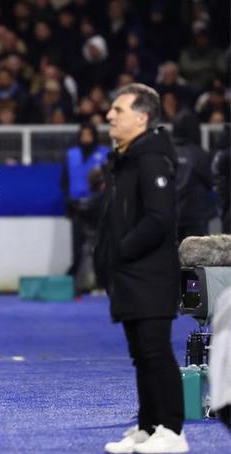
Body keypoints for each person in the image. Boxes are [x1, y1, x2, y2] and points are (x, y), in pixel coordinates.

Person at [95, 84, 188, 453]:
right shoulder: (126, 158)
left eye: (118, 110)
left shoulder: (151, 159)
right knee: (141, 354)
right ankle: (149, 427)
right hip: (131, 274)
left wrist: (120, 251)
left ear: (142, 117)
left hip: (150, 273)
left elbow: (159, 219)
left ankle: (173, 431)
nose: (109, 116)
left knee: (155, 351)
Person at [64, 123, 110, 293]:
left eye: (89, 134)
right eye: (83, 134)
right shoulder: (72, 154)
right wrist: (69, 202)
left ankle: (101, 281)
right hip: (77, 208)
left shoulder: (105, 153)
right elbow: (65, 181)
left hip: (98, 207)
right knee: (78, 247)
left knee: (100, 246)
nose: (86, 137)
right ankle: (76, 283)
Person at [172, 110, 215, 242]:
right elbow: (210, 182)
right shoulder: (199, 154)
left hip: (171, 215)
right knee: (198, 253)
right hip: (195, 217)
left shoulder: (167, 152)